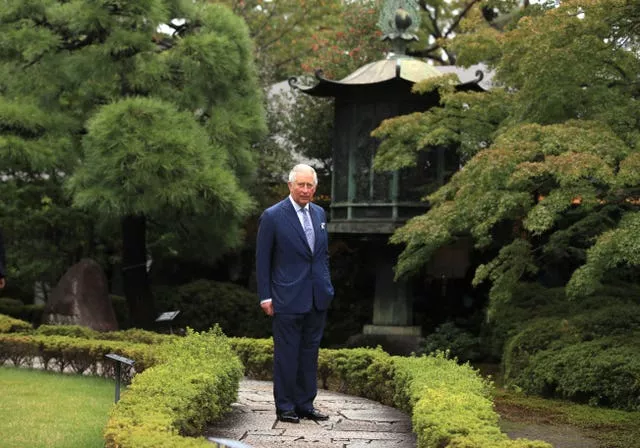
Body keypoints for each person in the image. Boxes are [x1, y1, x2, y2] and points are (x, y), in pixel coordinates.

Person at [256, 164, 334, 424]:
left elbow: (321, 255)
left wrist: (326, 285)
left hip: (316, 296)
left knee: (309, 354)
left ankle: (305, 404)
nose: (305, 189)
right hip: (285, 297)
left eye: (309, 185)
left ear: (315, 187)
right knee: (287, 354)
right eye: (300, 184)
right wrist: (265, 296)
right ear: (290, 186)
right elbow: (262, 260)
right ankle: (286, 407)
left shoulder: (320, 213)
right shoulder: (273, 216)